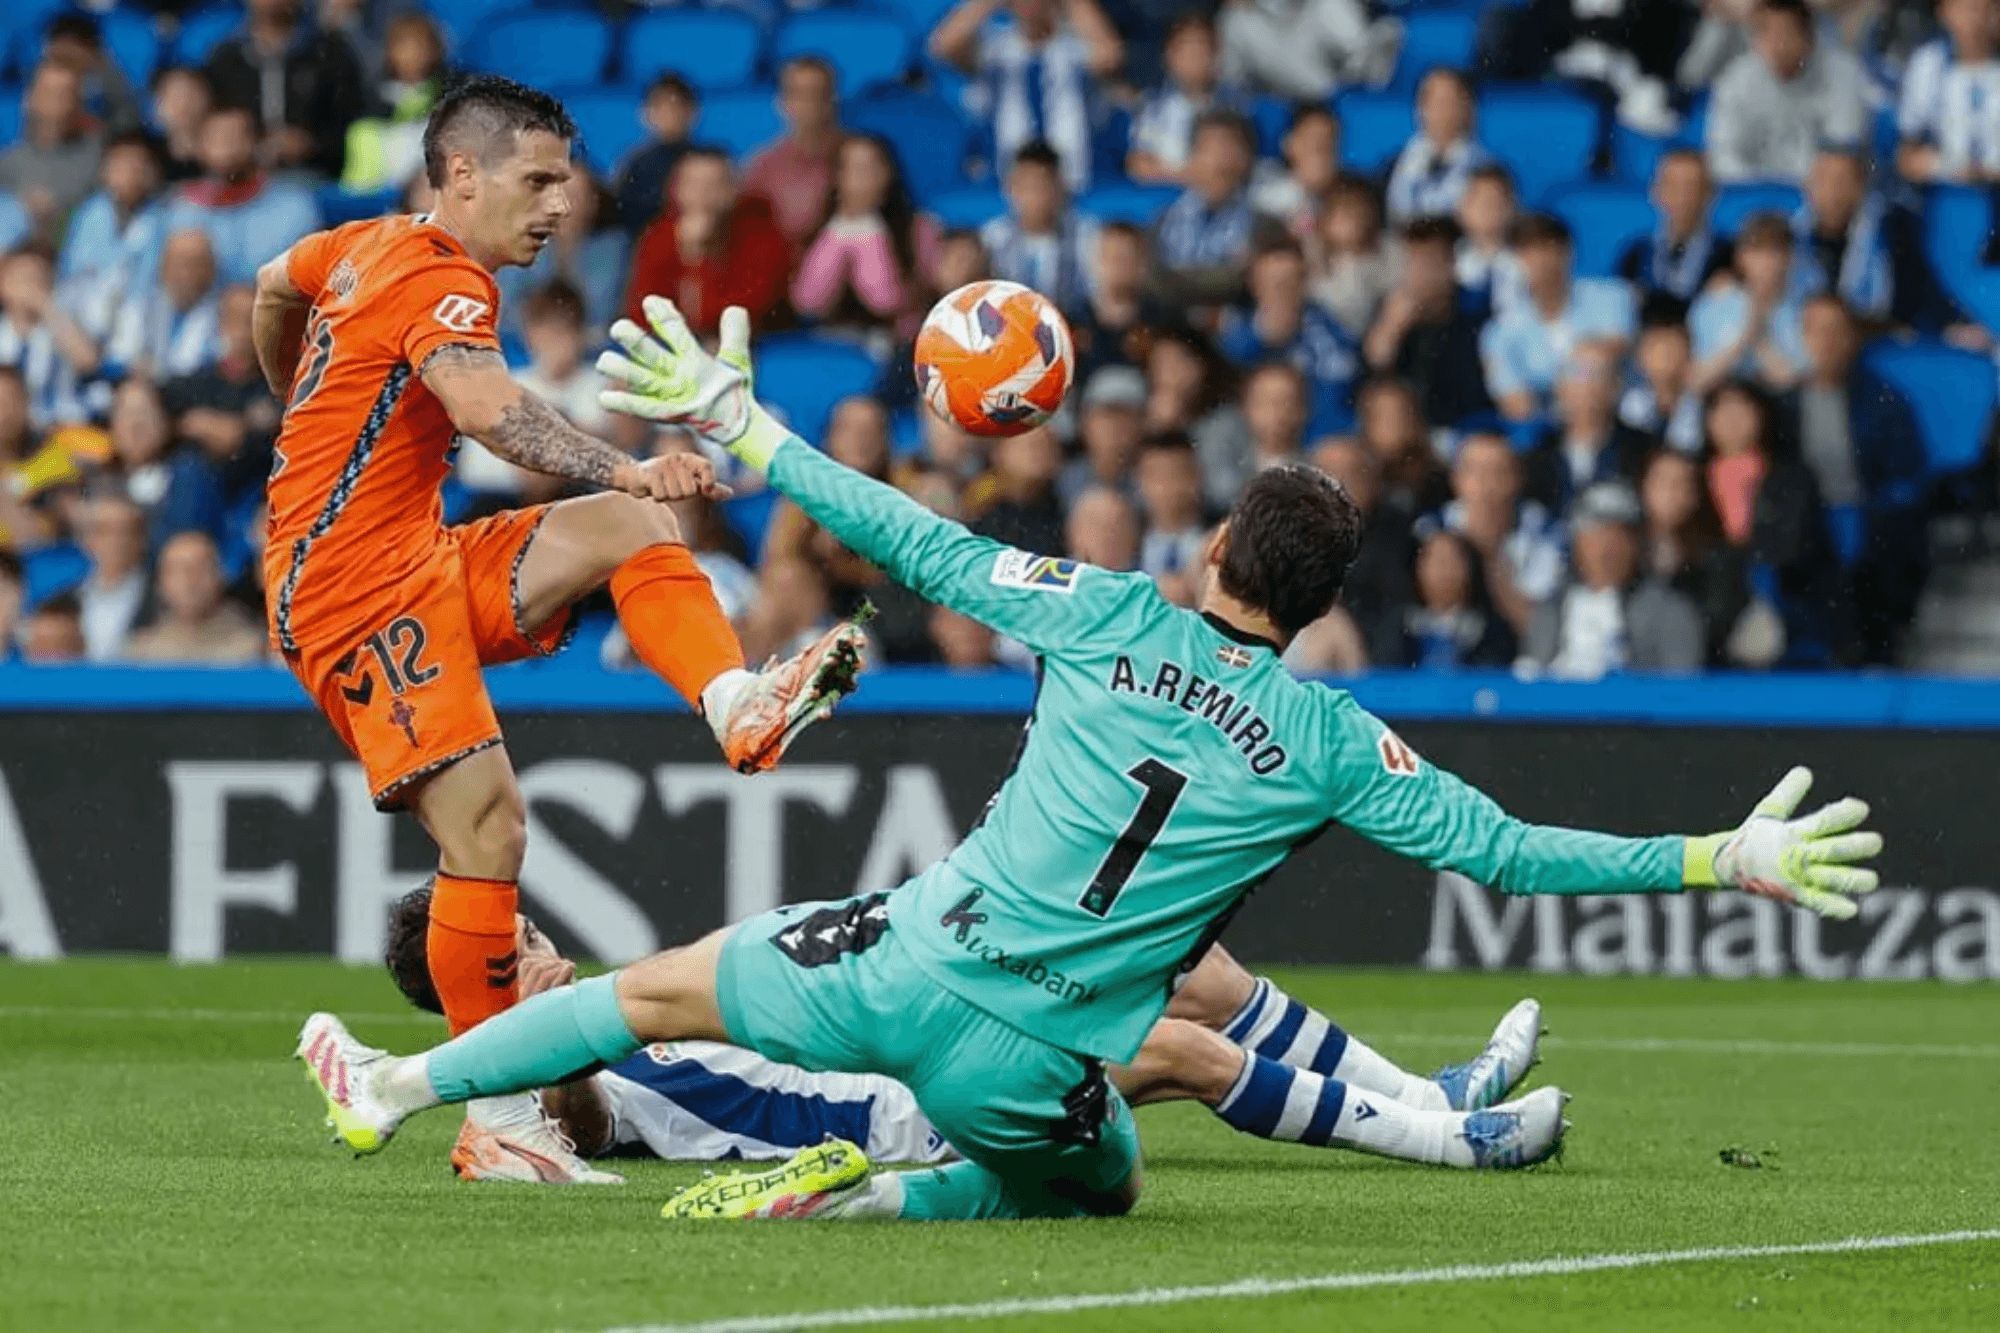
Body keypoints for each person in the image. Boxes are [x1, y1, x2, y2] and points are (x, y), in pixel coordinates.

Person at [298, 295, 1884, 1222]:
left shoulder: (1109, 612)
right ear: (1320, 610)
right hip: (1029, 1061)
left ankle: (397, 1080)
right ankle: (889, 1194)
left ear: (1215, 553)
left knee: (637, 993)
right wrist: (1716, 857)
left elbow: (916, 541)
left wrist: (755, 434)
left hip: (897, 952)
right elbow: (1511, 854)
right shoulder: (1332, 743)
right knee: (1111, 1170)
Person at [253, 76, 868, 1184]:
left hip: (410, 553)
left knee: (630, 531)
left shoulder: (360, 244)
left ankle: (737, 702)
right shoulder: (439, 277)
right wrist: (627, 459)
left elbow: (269, 287)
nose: (561, 204)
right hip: (351, 589)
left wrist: (295, 408)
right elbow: (491, 412)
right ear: (462, 174)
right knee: (487, 832)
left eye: (567, 182)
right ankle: (499, 1121)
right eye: (537, 181)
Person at [381, 888, 1547, 1177]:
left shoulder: (623, 996)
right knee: (1176, 1053)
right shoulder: (557, 1084)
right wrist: (540, 1051)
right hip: (916, 1122)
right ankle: (1450, 1139)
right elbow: (586, 1123)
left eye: (528, 931)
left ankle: (1433, 1091)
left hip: (923, 1038)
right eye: (506, 957)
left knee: (1188, 969)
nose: (539, 953)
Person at [1790, 293, 1927, 664]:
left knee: (1874, 542)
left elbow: (1907, 472)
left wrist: (1876, 509)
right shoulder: (1786, 403)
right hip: (1807, 523)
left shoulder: (1883, 400)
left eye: (1835, 330)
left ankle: (1872, 651)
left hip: (1868, 515)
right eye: (1815, 330)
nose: (1825, 341)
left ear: (1852, 338)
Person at [931, 0, 1125, 194]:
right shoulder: (995, 50)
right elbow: (944, 46)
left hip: (1077, 182)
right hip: (1007, 187)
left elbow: (1110, 56)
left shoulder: (1075, 49)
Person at [1520, 481, 1706, 677]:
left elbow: (1682, 687)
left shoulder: (1671, 612)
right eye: (1596, 535)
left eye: (1619, 536)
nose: (1606, 550)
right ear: (1577, 542)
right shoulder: (1550, 610)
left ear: (1638, 543)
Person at [1479, 213, 1637, 424]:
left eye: (1548, 248)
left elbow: (1611, 354)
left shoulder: (1612, 296)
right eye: (1527, 251)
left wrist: (1556, 385)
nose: (1540, 260)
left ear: (1569, 252)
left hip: (1620, 417)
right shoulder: (1498, 331)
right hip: (1548, 431)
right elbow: (1516, 404)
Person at [626, 148, 790, 340]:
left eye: (714, 185)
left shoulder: (763, 236)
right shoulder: (658, 237)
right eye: (693, 185)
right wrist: (690, 254)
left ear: (734, 190)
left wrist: (697, 258)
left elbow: (737, 317)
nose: (702, 195)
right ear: (674, 190)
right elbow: (644, 316)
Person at [792, 135, 940, 341]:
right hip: (830, 344)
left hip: (897, 344)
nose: (862, 176)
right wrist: (840, 231)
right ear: (837, 177)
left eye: (871, 167)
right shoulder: (818, 228)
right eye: (852, 168)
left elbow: (887, 302)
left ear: (889, 173)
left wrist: (870, 235)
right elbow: (808, 303)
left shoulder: (920, 229)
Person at [1707, 0, 1869, 184]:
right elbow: (1723, 156)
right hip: (1755, 192)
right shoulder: (1735, 80)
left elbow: (1843, 151)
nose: (1776, 44)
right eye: (1765, 32)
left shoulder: (1843, 73)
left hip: (1822, 192)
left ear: (1808, 36)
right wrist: (1765, 188)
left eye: (1785, 32)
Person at [164, 104, 323, 287]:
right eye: (215, 138)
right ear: (199, 148)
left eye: (235, 137)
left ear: (258, 143)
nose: (226, 147)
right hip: (204, 304)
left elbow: (301, 281)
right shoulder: (180, 209)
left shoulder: (296, 205)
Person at [203, 0, 365, 179]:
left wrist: (311, 144)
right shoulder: (226, 59)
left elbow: (352, 123)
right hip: (239, 178)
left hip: (315, 176)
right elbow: (212, 124)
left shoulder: (329, 53)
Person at [1363, 216, 1491, 432]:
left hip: (1467, 426)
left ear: (1452, 263)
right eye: (1414, 261)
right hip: (1408, 431)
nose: (1424, 272)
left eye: (1433, 261)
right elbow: (1374, 372)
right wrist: (1392, 328)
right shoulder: (1389, 310)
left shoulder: (1477, 311)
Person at [1219, 239, 1358, 436]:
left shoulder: (1329, 328)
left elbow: (1344, 385)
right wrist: (1265, 334)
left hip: (1325, 440)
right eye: (1274, 282)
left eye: (1292, 281)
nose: (1283, 291)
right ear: (1254, 284)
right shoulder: (1238, 332)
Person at [1438, 432, 1565, 637]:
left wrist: (1492, 556)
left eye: (1499, 473)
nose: (1487, 486)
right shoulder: (1433, 528)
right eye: (1476, 472)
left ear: (1518, 480)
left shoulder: (1543, 532)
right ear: (1456, 479)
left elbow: (1537, 631)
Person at [1637, 446, 1749, 666]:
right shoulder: (1626, 550)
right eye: (1662, 481)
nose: (1671, 492)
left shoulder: (1719, 559)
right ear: (1643, 487)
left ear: (1696, 495)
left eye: (1682, 484)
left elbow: (1716, 623)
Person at [1150, 110, 1272, 310]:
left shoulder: (1263, 224)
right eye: (1210, 148)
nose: (1219, 161)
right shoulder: (1162, 219)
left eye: (1229, 147)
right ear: (1192, 157)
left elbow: (1242, 282)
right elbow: (1155, 280)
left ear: (1247, 159)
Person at [58, 130, 169, 344]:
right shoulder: (88, 213)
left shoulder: (166, 217)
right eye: (120, 164)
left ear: (155, 173)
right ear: (104, 171)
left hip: (141, 326)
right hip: (83, 325)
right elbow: (71, 275)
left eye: (139, 165)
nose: (130, 173)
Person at [493, 166, 627, 341]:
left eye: (579, 196)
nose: (569, 205)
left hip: (589, 347)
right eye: (563, 195)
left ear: (594, 203)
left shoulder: (613, 248)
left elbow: (603, 313)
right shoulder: (520, 244)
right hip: (523, 346)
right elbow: (505, 309)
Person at [1524, 338, 1654, 518]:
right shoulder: (1538, 453)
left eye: (1598, 374)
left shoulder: (1644, 452)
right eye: (1577, 372)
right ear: (1560, 386)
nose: (1587, 385)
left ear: (1616, 386)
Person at [1688, 212, 1808, 395]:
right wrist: (1743, 338)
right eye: (1756, 250)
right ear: (1740, 257)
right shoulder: (1712, 305)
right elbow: (1696, 381)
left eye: (1774, 251)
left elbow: (1792, 381)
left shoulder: (1806, 310)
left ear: (1790, 257)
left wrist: (1758, 338)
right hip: (1720, 403)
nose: (1765, 262)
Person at [1127, 12, 1250, 185]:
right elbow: (1139, 165)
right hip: (1166, 193)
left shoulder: (1237, 105)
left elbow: (1235, 166)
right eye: (1185, 50)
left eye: (1202, 49)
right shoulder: (1150, 107)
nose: (1194, 58)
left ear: (1217, 53)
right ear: (1168, 55)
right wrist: (1188, 175)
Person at [339, 11, 448, 194]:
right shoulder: (370, 104)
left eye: (419, 46)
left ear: (434, 51)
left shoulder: (449, 100)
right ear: (390, 51)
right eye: (403, 46)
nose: (412, 54)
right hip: (377, 196)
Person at [1895, 0, 2000, 186]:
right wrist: (1946, 167)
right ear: (1944, 12)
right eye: (1967, 10)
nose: (1976, 20)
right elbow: (1907, 157)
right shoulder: (1928, 65)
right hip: (1944, 191)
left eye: (1987, 9)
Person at [981, 141, 1093, 315]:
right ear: (1010, 188)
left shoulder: (1087, 237)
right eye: (1026, 187)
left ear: (1060, 188)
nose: (1034, 197)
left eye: (1042, 187)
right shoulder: (991, 239)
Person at [742, 57, 843, 249]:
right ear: (782, 102)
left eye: (818, 93)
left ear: (833, 99)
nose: (809, 103)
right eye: (799, 94)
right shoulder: (763, 166)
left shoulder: (859, 157)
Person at [1616, 148, 1730, 318]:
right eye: (1672, 185)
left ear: (1711, 193)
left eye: (1691, 186)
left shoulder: (1731, 257)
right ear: (1655, 192)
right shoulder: (1635, 255)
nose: (1682, 196)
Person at [0, 62, 105, 246]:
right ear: (29, 99)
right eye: (48, 93)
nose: (55, 104)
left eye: (65, 95)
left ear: (79, 104)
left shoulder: (100, 162)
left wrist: (57, 216)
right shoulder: (7, 162)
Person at [123, 529, 265, 663]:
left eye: (201, 568)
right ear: (160, 582)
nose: (190, 580)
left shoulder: (254, 648)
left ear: (220, 576)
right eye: (179, 570)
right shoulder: (141, 652)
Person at [103, 227, 222, 382]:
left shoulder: (224, 315)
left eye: (197, 264)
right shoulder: (142, 307)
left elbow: (200, 368)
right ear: (163, 267)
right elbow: (114, 361)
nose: (188, 273)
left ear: (211, 270)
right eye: (180, 263)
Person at [1791, 148, 1896, 324]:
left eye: (1844, 181)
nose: (1833, 191)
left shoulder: (1892, 236)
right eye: (1822, 180)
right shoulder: (1788, 241)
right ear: (1807, 186)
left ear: (1862, 188)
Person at [0, 244, 100, 428]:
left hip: (60, 427)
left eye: (38, 280)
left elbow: (88, 361)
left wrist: (46, 306)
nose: (29, 288)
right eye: (22, 279)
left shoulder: (61, 329)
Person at [1216, 0, 1397, 100]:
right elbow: (1232, 80)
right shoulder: (1237, 21)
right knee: (1242, 23)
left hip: (1309, 27)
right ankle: (1339, 85)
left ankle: (1364, 57)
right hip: (1282, 84)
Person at [1385, 69, 1492, 225]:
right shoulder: (1393, 167)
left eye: (1449, 100)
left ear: (1469, 107)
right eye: (1431, 100)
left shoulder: (1487, 171)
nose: (1440, 109)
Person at [1401, 528, 1517, 669]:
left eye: (1452, 560)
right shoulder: (1398, 628)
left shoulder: (1493, 633)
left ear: (1468, 567)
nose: (1444, 570)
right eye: (1437, 560)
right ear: (1419, 568)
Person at [1309, 172, 1392, 338]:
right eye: (1346, 212)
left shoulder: (1387, 252)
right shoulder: (1313, 257)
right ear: (1326, 219)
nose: (1356, 220)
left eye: (1361, 211)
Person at [612, 75, 698, 237]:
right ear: (646, 114)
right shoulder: (634, 164)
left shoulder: (707, 164)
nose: (669, 114)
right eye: (660, 106)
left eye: (676, 106)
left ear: (692, 111)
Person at [1133, 431, 1208, 605]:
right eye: (1156, 476)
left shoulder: (1221, 543)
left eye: (1177, 474)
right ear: (1139, 481)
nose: (1167, 485)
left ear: (1197, 477)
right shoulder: (1126, 543)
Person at [74, 490, 151, 660]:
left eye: (126, 531)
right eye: (104, 531)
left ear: (142, 540)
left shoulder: (161, 598)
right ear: (87, 539)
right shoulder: (68, 599)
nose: (116, 541)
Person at [1249, 104, 1338, 243]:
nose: (1321, 150)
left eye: (1330, 142)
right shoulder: (1263, 195)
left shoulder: (1344, 203)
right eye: (1313, 140)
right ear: (1289, 144)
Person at [1057, 366, 1145, 507]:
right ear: (1084, 422)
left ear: (1142, 424)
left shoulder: (1151, 484)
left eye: (1125, 417)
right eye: (1106, 415)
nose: (1114, 426)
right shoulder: (1061, 481)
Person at [1619, 315, 1704, 454]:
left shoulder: (1700, 405)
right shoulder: (1631, 404)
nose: (1664, 357)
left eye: (1672, 349)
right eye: (1656, 349)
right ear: (1641, 357)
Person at [1453, 165, 1524, 319]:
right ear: (1461, 208)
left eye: (1496, 201)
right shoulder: (1447, 263)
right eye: (1479, 200)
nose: (1487, 209)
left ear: (1514, 208)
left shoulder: (1527, 264)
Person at [149, 67, 211, 184]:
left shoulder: (226, 158)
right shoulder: (148, 159)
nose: (183, 104)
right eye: (174, 96)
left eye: (191, 95)